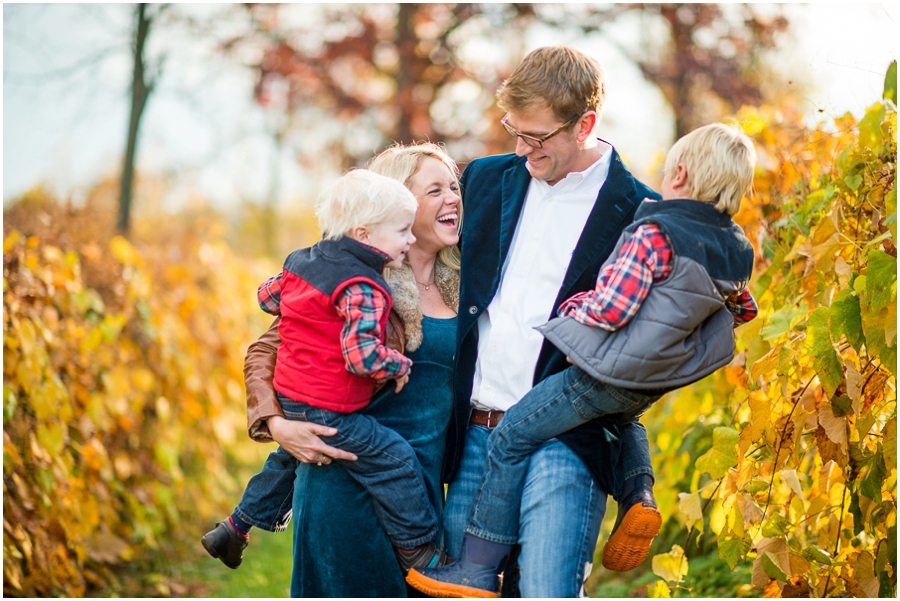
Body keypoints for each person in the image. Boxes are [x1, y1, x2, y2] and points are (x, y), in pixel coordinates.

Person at [408, 122, 759, 597]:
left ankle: (476, 564)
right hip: (642, 381)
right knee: (623, 417)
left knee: (513, 434)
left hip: (596, 374)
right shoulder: (737, 248)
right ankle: (638, 492)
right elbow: (742, 308)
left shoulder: (653, 227)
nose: (520, 147)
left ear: (679, 172)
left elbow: (613, 307)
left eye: (534, 132)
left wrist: (570, 310)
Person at [438, 45, 663, 597]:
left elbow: (659, 341)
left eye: (535, 138)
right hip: (475, 433)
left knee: (545, 590)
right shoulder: (486, 181)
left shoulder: (640, 213)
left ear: (585, 123)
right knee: (455, 587)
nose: (521, 148)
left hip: (568, 439)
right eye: (514, 130)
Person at [202, 168, 454, 574]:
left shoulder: (305, 262)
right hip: (331, 409)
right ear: (366, 232)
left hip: (297, 397)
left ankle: (236, 527)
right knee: (395, 458)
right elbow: (361, 357)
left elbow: (268, 297)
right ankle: (419, 551)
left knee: (283, 463)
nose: (408, 239)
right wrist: (398, 363)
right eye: (401, 228)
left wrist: (305, 299)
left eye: (453, 187)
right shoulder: (364, 286)